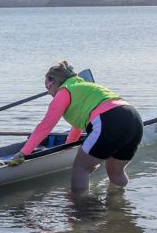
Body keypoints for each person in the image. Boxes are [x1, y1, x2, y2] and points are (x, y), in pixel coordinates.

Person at [8, 61, 142, 193]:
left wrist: (23, 153)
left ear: (54, 82)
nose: (49, 93)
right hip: (134, 119)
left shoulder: (64, 92)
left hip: (109, 119)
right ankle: (119, 205)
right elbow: (77, 126)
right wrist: (68, 146)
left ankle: (79, 211)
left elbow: (45, 127)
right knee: (115, 172)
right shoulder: (82, 87)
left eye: (48, 88)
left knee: (80, 168)